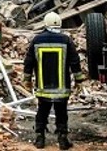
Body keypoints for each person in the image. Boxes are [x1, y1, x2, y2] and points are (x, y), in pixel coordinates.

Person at [23, 12, 86, 149]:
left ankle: (40, 138)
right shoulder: (66, 40)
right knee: (61, 111)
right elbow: (74, 61)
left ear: (45, 24)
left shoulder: (37, 40)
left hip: (43, 86)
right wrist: (79, 80)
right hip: (62, 87)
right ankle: (62, 139)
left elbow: (28, 61)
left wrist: (27, 79)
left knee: (42, 110)